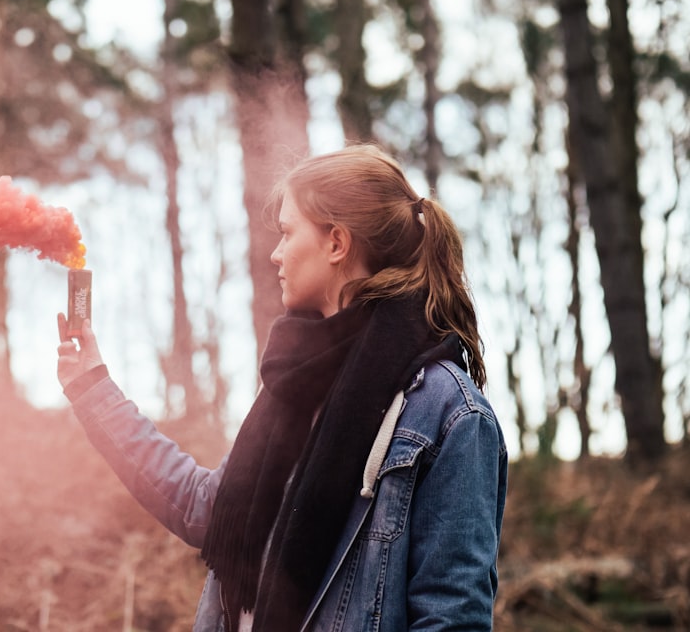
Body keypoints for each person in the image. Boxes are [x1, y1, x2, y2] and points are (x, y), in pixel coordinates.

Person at [56, 144, 507, 631]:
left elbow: (452, 618)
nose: (275, 253)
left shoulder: (452, 415)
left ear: (336, 243)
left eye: (288, 232)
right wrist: (91, 386)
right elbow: (201, 506)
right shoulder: (294, 386)